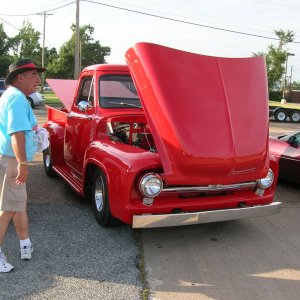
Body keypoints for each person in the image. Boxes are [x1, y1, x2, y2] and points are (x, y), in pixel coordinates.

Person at [0, 59, 46, 272]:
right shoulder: (17, 99)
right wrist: (23, 164)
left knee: (18, 205)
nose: (38, 80)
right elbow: (16, 133)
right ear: (20, 77)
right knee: (7, 210)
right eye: (34, 75)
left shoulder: (11, 96)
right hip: (12, 161)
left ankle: (24, 244)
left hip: (9, 159)